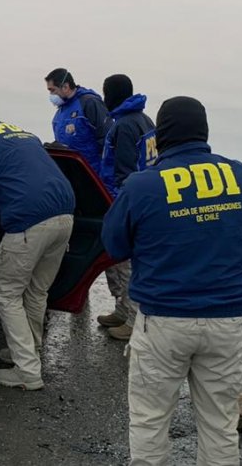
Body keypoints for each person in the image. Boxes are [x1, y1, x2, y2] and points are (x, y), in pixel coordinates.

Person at [101, 96, 242, 466]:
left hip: (163, 322)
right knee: (220, 424)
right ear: (204, 131)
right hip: (229, 321)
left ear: (162, 136)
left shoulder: (142, 186)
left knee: (149, 421)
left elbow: (113, 244)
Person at [0, 117, 75, 390]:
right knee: (37, 291)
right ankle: (29, 352)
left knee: (7, 294)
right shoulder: (27, 134)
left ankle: (27, 371)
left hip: (28, 223)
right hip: (65, 217)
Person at [96, 74, 154, 342]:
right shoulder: (144, 119)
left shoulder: (125, 126)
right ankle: (121, 311)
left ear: (111, 95)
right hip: (147, 196)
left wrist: (120, 207)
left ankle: (132, 319)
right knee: (121, 262)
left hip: (126, 199)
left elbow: (124, 172)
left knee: (126, 263)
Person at [45, 68, 112, 176]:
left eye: (52, 90)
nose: (51, 95)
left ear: (65, 87)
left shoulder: (89, 103)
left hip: (93, 174)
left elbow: (107, 137)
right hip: (72, 174)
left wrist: (105, 175)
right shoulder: (59, 114)